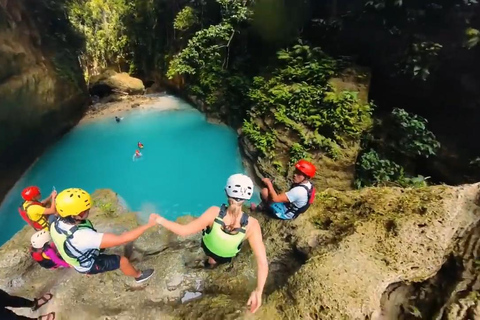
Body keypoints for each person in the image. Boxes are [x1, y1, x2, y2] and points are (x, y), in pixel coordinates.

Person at [154, 174, 268, 313]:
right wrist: (258, 291)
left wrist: (160, 220)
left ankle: (209, 261)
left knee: (211, 255)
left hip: (207, 247)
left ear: (226, 192)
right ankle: (213, 264)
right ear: (247, 198)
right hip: (226, 255)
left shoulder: (214, 212)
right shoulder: (252, 225)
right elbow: (262, 263)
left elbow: (183, 231)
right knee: (217, 258)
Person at [49, 188, 156, 283]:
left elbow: (60, 243)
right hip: (87, 263)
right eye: (84, 211)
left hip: (76, 256)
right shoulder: (82, 237)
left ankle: (84, 268)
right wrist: (149, 225)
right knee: (123, 261)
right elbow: (123, 240)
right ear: (74, 215)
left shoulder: (54, 223)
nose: (88, 210)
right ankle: (138, 276)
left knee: (100, 244)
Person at [251, 159, 316, 220]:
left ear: (306, 177)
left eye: (299, 174)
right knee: (273, 191)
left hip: (284, 213)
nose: (295, 175)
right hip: (293, 210)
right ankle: (264, 206)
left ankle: (262, 209)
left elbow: (275, 199)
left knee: (264, 192)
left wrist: (268, 183)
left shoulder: (299, 191)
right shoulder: (308, 185)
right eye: (295, 171)